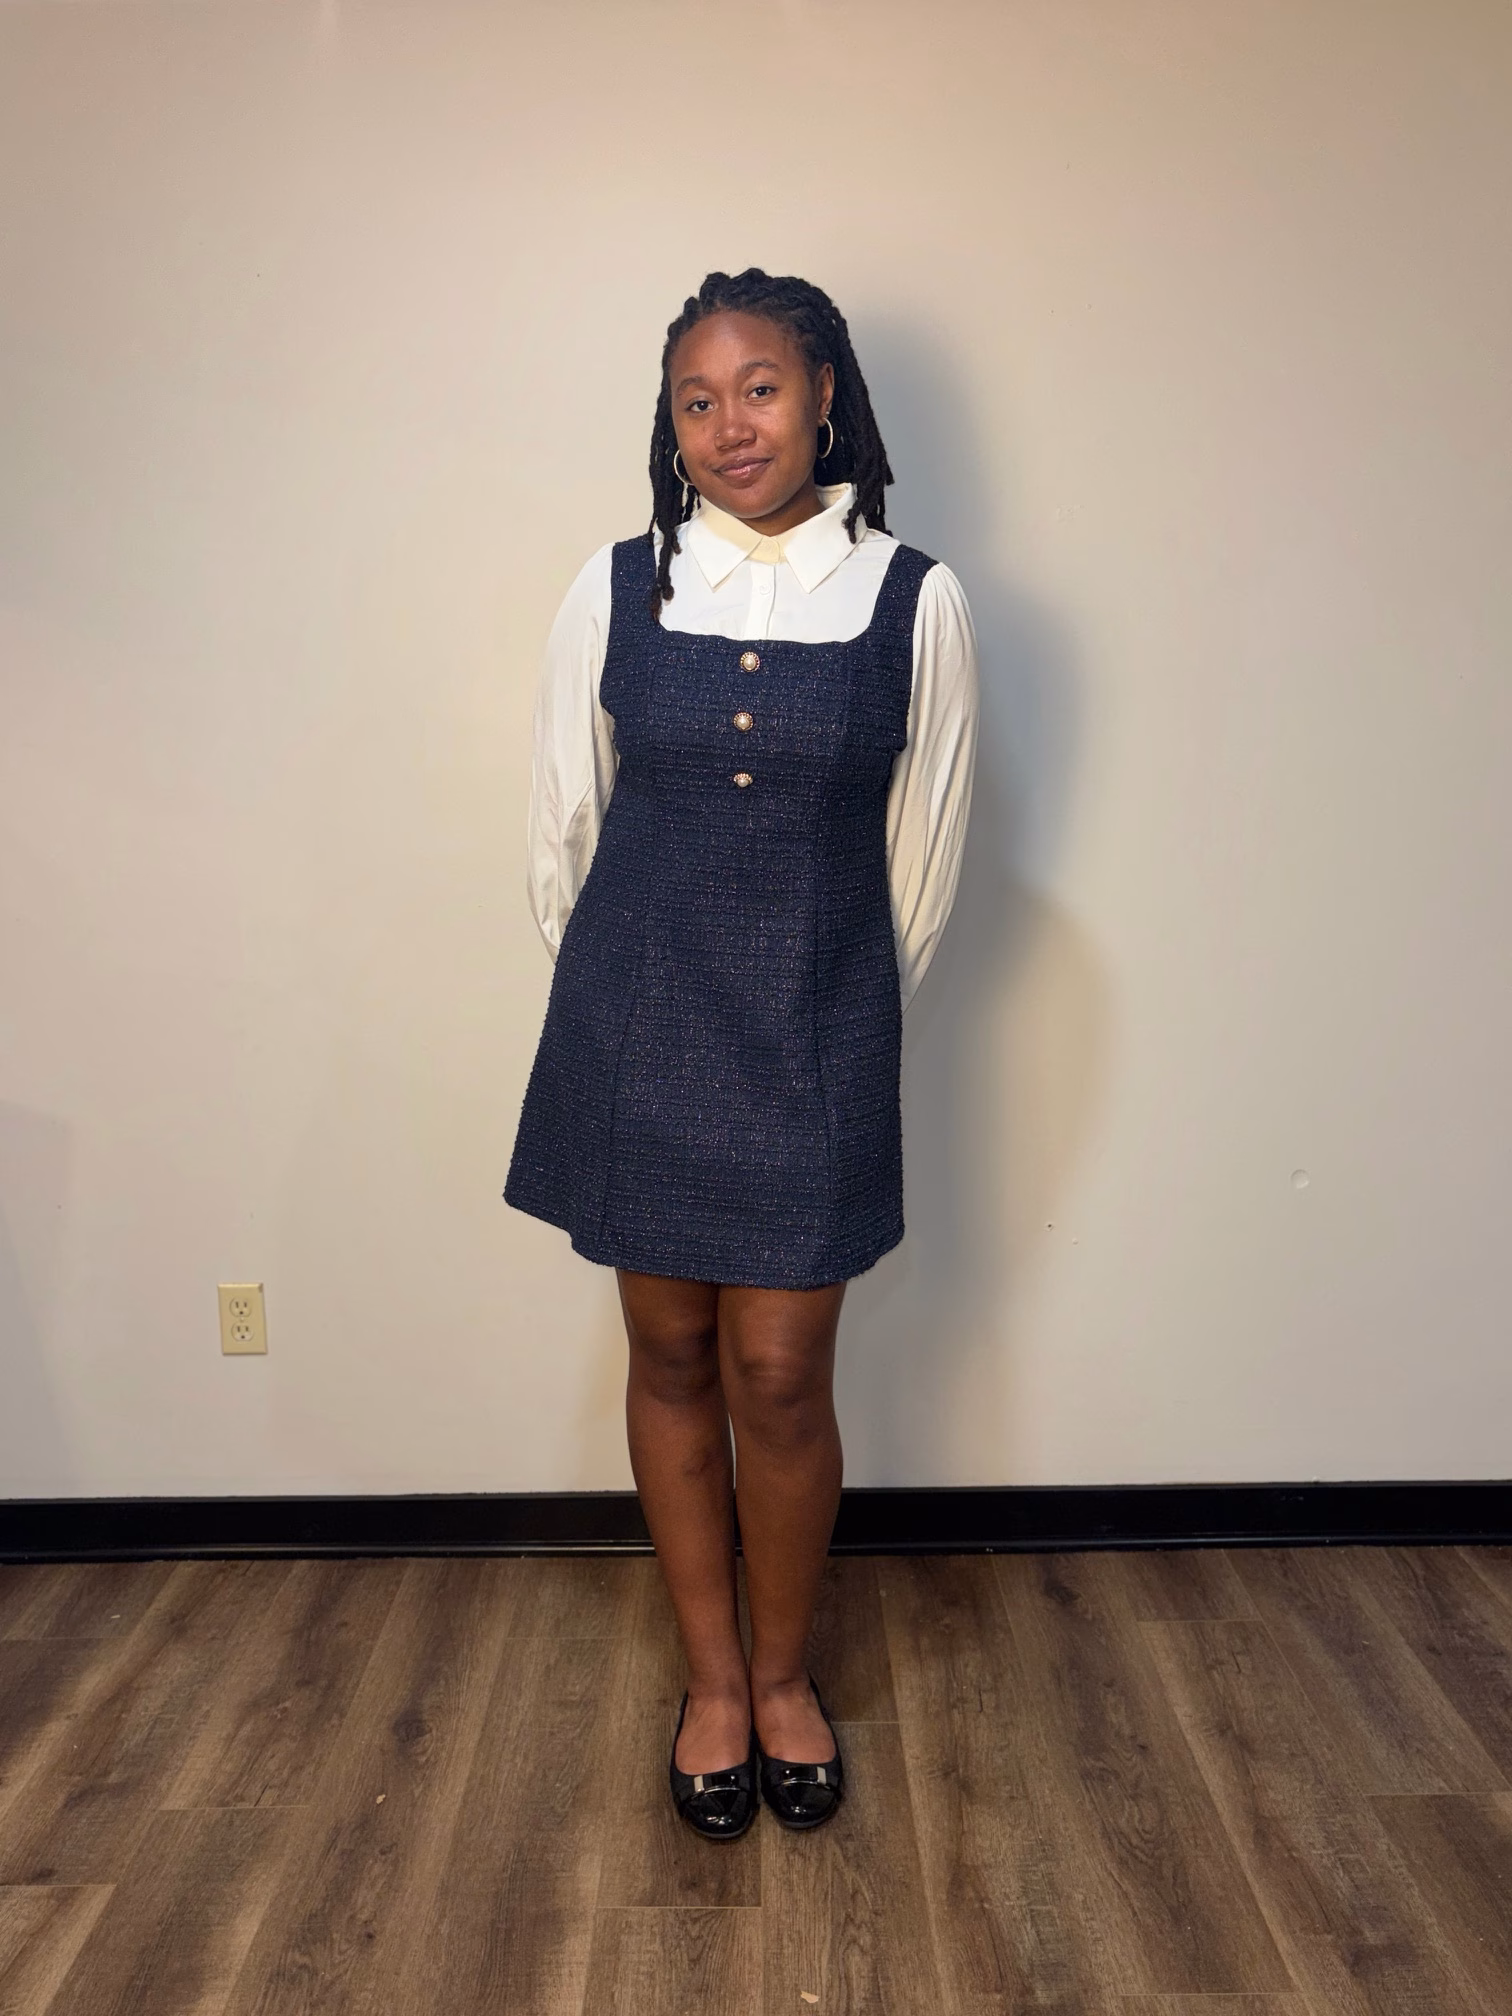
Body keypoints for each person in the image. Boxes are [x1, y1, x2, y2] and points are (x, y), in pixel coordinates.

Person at [504, 268, 979, 1838]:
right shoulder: (615, 588)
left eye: (759, 389)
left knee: (779, 1374)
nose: (728, 426)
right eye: (696, 401)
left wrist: (832, 1013)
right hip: (638, 1026)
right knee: (670, 1359)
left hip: (814, 1028)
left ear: (823, 394)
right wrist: (621, 1010)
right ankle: (712, 1683)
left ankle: (784, 1675)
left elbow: (922, 871)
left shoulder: (913, 599)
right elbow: (562, 833)